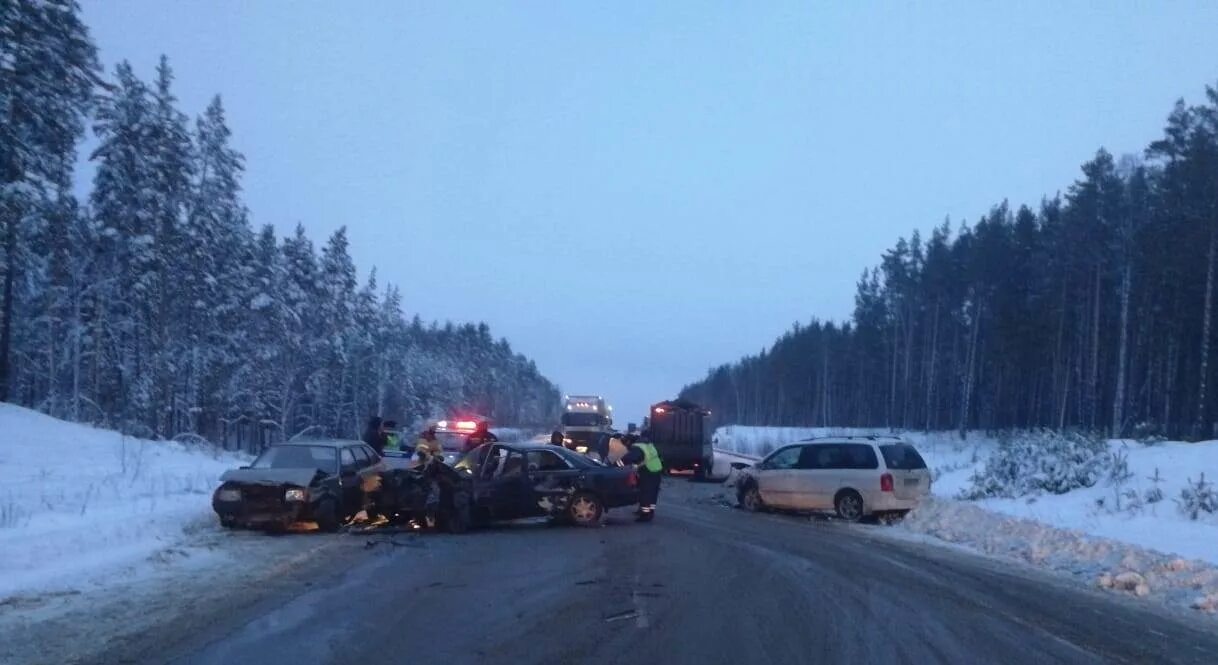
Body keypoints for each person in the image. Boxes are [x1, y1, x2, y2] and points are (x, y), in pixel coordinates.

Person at [620, 432, 663, 522]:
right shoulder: (647, 444)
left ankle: (645, 515)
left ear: (629, 442)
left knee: (645, 493)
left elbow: (628, 459)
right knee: (652, 493)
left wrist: (615, 464)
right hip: (656, 469)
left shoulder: (637, 447)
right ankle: (650, 512)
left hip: (649, 471)